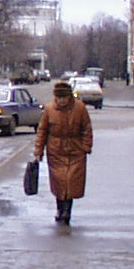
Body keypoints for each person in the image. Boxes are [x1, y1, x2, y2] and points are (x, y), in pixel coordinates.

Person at [33, 80, 93, 225]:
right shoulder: (49, 109)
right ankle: (60, 209)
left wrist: (86, 147)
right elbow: (42, 131)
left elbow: (87, 128)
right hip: (56, 150)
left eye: (63, 98)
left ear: (69, 97)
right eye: (58, 98)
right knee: (60, 182)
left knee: (71, 182)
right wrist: (38, 150)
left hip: (75, 149)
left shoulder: (80, 108)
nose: (61, 101)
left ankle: (67, 211)